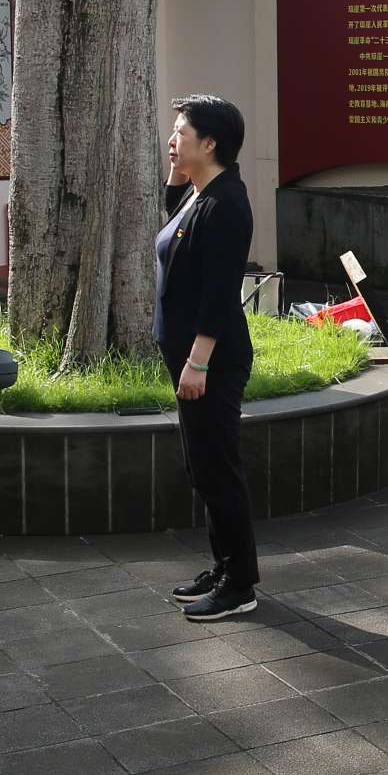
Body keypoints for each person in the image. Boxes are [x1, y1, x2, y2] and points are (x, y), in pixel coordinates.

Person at [157, 96, 262, 622]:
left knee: (218, 469)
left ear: (211, 142)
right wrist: (178, 169)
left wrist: (197, 363)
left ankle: (239, 583)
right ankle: (223, 567)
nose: (171, 141)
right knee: (203, 467)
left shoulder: (227, 205)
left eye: (181, 132)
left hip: (213, 362)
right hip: (192, 359)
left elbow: (220, 293)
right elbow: (169, 219)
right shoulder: (201, 194)